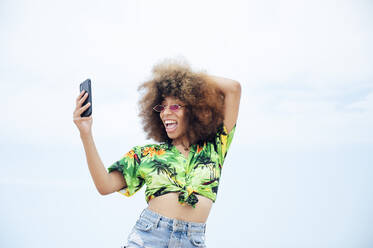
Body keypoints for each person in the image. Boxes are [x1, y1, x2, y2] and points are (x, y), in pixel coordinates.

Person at [73, 60, 241, 248]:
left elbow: (233, 89)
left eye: (176, 106)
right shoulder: (147, 154)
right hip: (149, 237)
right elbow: (105, 185)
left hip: (192, 241)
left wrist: (184, 78)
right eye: (162, 107)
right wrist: (85, 133)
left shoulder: (213, 147)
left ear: (194, 111)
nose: (166, 113)